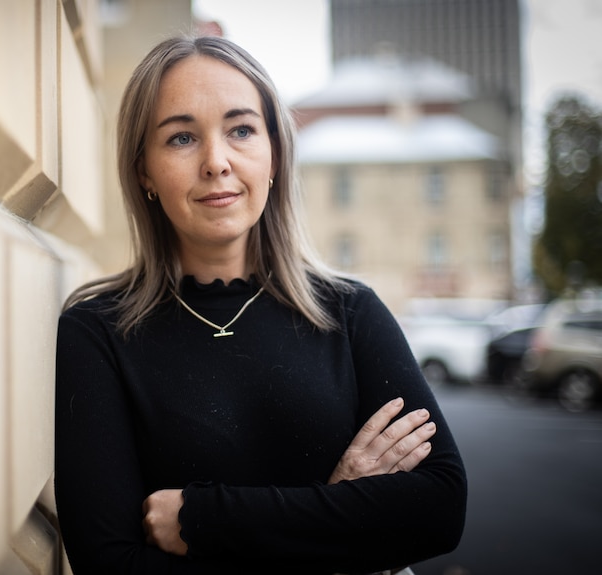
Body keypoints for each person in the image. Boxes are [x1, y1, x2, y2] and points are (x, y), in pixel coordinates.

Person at [54, 35, 466, 574]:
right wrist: (338, 517)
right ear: (143, 171)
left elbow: (440, 510)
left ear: (274, 153)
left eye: (242, 130)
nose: (216, 162)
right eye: (181, 138)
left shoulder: (349, 312)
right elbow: (109, 564)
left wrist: (205, 518)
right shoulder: (97, 331)